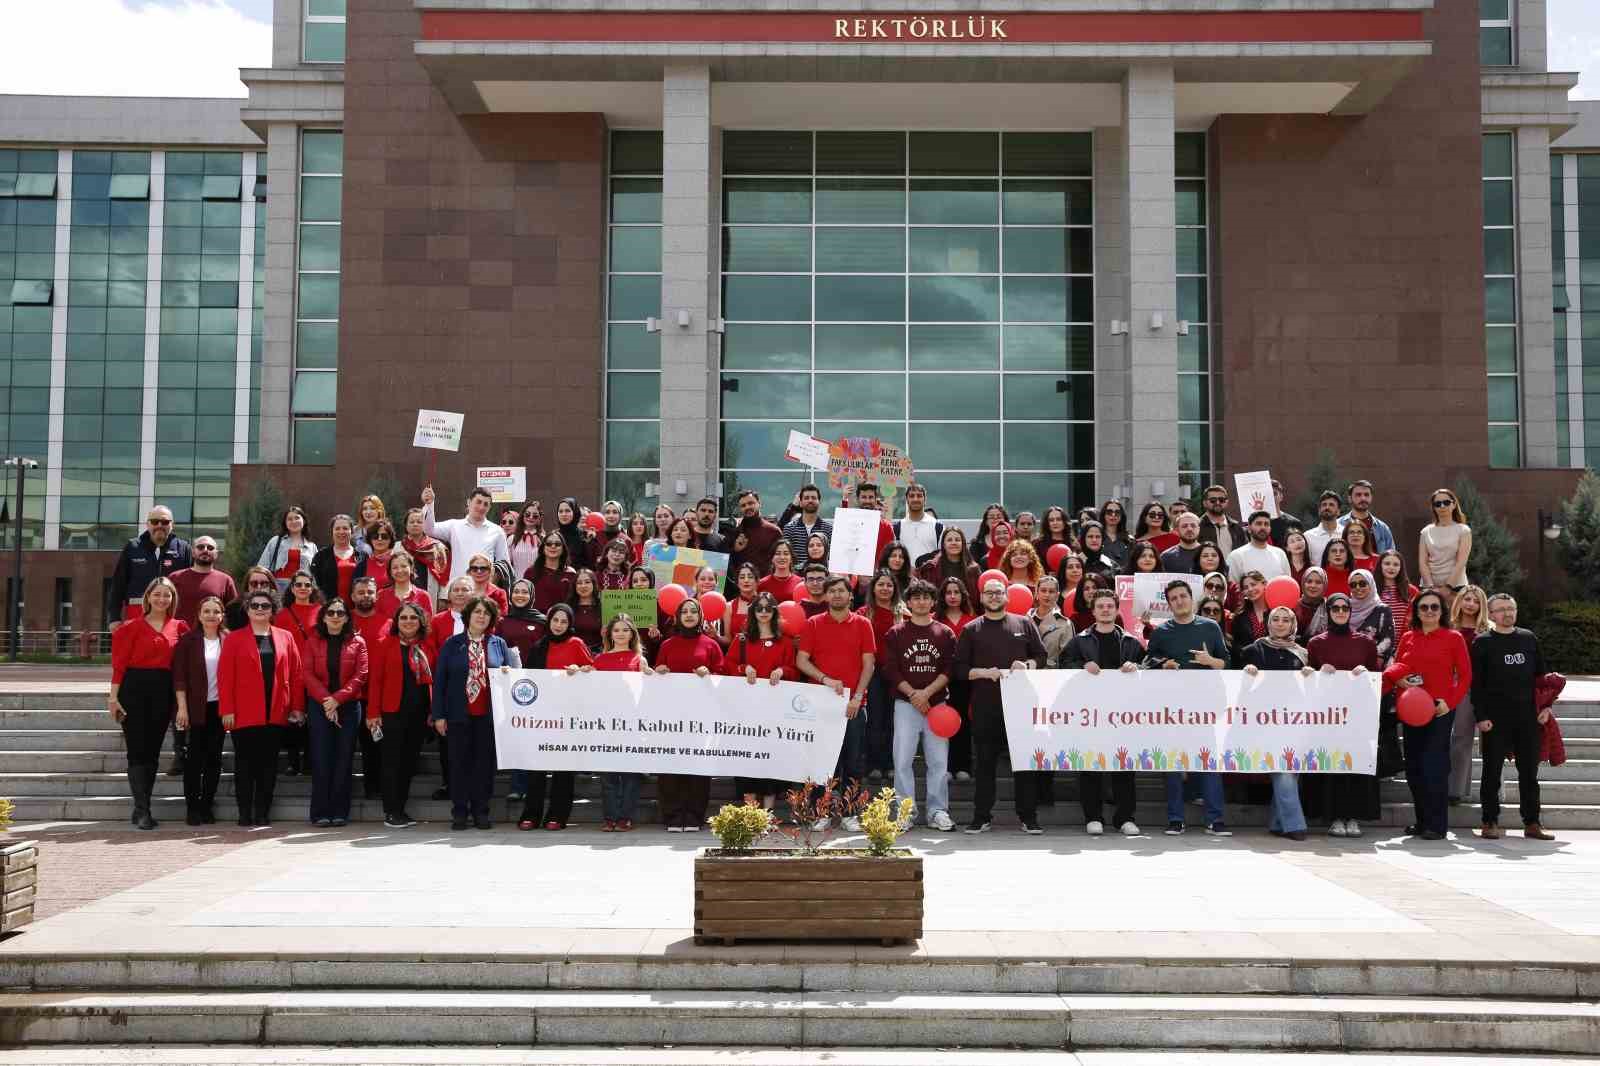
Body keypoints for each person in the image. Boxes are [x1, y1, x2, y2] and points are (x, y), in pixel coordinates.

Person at [955, 578, 1047, 834]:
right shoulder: (971, 629)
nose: (994, 596)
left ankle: (1028, 817)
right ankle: (981, 816)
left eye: (998, 592)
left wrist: (1027, 665)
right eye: (989, 593)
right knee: (985, 764)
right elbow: (959, 669)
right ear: (981, 597)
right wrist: (984, 672)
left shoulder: (1024, 623)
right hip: (986, 707)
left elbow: (1041, 656)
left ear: (1007, 596)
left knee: (1024, 764)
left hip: (1021, 706)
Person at [1143, 580, 1230, 835]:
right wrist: (1164, 665)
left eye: (1183, 596)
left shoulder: (1211, 627)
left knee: (1208, 762)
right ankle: (1175, 819)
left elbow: (1227, 662)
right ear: (1169, 604)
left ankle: (1215, 819)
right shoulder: (1162, 632)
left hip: (1205, 706)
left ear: (1192, 598)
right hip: (1172, 708)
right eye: (1174, 598)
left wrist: (1210, 660)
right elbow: (1148, 661)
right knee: (1173, 763)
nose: (1179, 601)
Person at [1383, 589, 1472, 840]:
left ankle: (1437, 824)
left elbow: (1465, 676)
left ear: (1442, 611)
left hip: (1439, 709)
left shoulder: (1453, 637)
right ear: (1416, 611)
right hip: (1412, 709)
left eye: (1434, 607)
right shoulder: (1408, 637)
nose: (1429, 611)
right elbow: (1400, 667)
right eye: (1424, 607)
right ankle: (1422, 821)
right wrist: (1399, 681)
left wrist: (1449, 703)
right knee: (1414, 767)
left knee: (1434, 766)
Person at [797, 576, 878, 828]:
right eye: (832, 591)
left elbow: (869, 664)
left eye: (841, 591)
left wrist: (857, 697)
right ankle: (820, 812)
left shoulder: (863, 624)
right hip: (821, 704)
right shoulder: (813, 623)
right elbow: (801, 660)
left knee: (853, 762)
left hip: (853, 705)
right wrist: (825, 679)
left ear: (850, 595)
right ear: (826, 596)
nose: (837, 595)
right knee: (822, 760)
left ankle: (850, 813)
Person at [1062, 587, 1144, 836]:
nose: (1105, 610)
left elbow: (1149, 665)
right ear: (1093, 611)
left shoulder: (1130, 641)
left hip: (1123, 714)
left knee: (1124, 767)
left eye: (1110, 606)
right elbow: (1064, 664)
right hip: (1090, 714)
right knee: (1090, 766)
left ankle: (1125, 818)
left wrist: (1136, 666)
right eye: (1101, 606)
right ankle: (1093, 817)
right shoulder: (1080, 641)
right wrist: (1082, 665)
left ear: (1117, 610)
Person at [219, 586, 303, 828]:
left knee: (268, 766)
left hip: (276, 711)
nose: (259, 609)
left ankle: (262, 812)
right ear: (247, 609)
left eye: (265, 606)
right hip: (243, 713)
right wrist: (227, 709)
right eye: (254, 605)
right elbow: (225, 676)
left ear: (272, 610)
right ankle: (244, 812)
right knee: (244, 766)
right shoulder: (234, 638)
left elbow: (296, 675)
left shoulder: (285, 637)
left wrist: (297, 707)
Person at [108, 577, 187, 830]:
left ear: (173, 599)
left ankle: (143, 806)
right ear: (148, 597)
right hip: (133, 690)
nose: (162, 599)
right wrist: (113, 698)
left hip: (163, 691)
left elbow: (183, 666)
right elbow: (119, 666)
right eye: (157, 594)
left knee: (152, 751)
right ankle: (142, 810)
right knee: (136, 750)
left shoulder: (180, 627)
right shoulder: (129, 627)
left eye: (167, 595)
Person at [1472, 594, 1553, 840]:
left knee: (1529, 773)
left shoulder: (1529, 638)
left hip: (1528, 718)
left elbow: (1542, 678)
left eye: (1511, 608)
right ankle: (1489, 821)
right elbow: (1477, 685)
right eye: (1501, 609)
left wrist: (1546, 706)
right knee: (1491, 772)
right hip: (1495, 719)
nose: (1507, 613)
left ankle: (1532, 823)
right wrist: (1480, 715)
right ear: (1491, 614)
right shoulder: (1483, 642)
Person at [433, 596, 516, 830]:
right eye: (477, 612)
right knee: (459, 765)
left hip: (487, 717)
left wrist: (507, 673)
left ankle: (481, 811)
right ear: (468, 615)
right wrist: (439, 715)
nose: (481, 616)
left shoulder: (498, 644)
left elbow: (510, 678)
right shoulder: (452, 644)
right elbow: (440, 681)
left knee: (484, 766)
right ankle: (460, 812)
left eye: (486, 613)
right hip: (458, 715)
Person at [880, 579, 956, 831]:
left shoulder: (945, 633)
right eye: (916, 598)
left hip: (938, 705)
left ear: (933, 602)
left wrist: (927, 694)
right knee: (902, 760)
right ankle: (905, 812)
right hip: (905, 704)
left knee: (938, 761)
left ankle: (937, 811)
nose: (921, 602)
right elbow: (891, 669)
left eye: (926, 597)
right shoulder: (896, 633)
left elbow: (949, 669)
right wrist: (914, 695)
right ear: (909, 603)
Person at [1307, 593, 1381, 837]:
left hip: (1358, 715)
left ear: (1350, 611)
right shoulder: (1316, 643)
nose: (1340, 612)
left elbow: (1376, 676)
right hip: (1328, 716)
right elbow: (1308, 678)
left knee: (1356, 764)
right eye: (1335, 608)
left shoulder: (1365, 643)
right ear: (1328, 612)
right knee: (1333, 766)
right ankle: (1335, 817)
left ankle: (1354, 817)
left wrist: (1365, 671)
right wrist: (1319, 671)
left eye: (1344, 608)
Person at [164, 534, 238, 776]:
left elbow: (232, 614)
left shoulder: (225, 580)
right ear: (193, 551)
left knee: (210, 701)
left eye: (210, 547)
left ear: (216, 553)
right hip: (183, 646)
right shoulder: (176, 578)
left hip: (213, 647)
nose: (205, 550)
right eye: (200, 547)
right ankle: (180, 754)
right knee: (180, 700)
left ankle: (210, 754)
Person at [1240, 606, 1315, 841]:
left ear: (1293, 625)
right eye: (1275, 619)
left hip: (1294, 722)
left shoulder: (1302, 654)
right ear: (1268, 623)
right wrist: (1247, 674)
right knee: (1284, 771)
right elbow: (1240, 689)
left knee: (1289, 771)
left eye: (1285, 620)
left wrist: (1310, 675)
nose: (1280, 624)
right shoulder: (1253, 650)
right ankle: (1295, 825)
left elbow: (1310, 691)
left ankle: (1277, 823)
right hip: (1265, 723)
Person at [516, 604, 589, 831]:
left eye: (564, 621)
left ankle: (557, 814)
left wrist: (580, 669)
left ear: (570, 624)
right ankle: (531, 814)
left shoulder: (576, 644)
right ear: (549, 621)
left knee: (563, 768)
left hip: (568, 717)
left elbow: (593, 671)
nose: (558, 625)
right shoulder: (539, 645)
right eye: (555, 620)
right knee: (536, 767)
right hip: (541, 716)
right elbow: (527, 678)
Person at [654, 597, 725, 831]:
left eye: (693, 611)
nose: (689, 615)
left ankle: (695, 815)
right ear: (678, 617)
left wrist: (710, 673)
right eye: (684, 611)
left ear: (700, 616)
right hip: (671, 715)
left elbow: (723, 676)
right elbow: (657, 673)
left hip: (701, 714)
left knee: (698, 765)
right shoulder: (667, 644)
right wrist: (659, 671)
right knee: (670, 765)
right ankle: (672, 815)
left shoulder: (711, 645)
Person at [725, 592, 796, 812]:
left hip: (774, 711)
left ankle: (767, 813)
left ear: (775, 611)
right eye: (759, 608)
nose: (763, 612)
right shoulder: (742, 639)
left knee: (770, 758)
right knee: (746, 758)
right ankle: (751, 814)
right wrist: (743, 668)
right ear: (753, 612)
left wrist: (782, 670)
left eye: (768, 608)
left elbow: (794, 670)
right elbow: (727, 665)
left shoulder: (785, 642)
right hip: (746, 710)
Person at [303, 598, 369, 827]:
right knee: (321, 758)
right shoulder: (312, 640)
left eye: (340, 613)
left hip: (349, 706)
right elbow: (307, 673)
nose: (335, 616)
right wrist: (327, 701)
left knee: (344, 760)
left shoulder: (358, 642)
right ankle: (320, 812)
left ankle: (340, 811)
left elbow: (361, 675)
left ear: (347, 617)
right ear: (323, 617)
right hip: (319, 706)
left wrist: (337, 699)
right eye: (330, 612)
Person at [366, 602, 432, 828]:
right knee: (391, 763)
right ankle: (391, 811)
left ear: (420, 621)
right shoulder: (385, 644)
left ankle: (400, 809)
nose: (408, 622)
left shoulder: (427, 646)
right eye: (403, 618)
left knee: (409, 763)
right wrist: (373, 712)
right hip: (391, 713)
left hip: (419, 715)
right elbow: (375, 681)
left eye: (413, 617)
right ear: (396, 622)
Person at [172, 595, 228, 825]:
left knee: (214, 759)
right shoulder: (188, 641)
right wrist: (182, 708)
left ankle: (207, 805)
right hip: (195, 707)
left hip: (220, 708)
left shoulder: (229, 639)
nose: (211, 615)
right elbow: (179, 677)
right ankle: (192, 807)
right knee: (194, 760)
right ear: (199, 615)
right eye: (207, 611)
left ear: (222, 615)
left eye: (216, 611)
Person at [593, 614, 652, 831]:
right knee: (608, 775)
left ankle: (625, 817)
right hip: (606, 724)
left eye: (625, 630)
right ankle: (609, 818)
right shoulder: (599, 660)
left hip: (631, 725)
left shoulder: (639, 660)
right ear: (609, 634)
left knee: (630, 775)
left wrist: (652, 676)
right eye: (616, 630)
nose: (620, 634)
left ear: (632, 634)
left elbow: (646, 692)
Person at [274, 574, 323, 776]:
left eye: (307, 584)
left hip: (317, 674)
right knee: (293, 718)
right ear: (292, 588)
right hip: (291, 673)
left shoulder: (321, 612)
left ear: (312, 588)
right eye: (298, 584)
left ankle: (310, 762)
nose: (303, 588)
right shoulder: (282, 614)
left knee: (315, 720)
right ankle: (293, 761)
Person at [1448, 584, 1493, 805]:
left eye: (1476, 601)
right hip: (1460, 687)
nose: (1471, 604)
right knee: (1460, 738)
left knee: (1493, 742)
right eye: (1467, 599)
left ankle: (1495, 791)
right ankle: (1455, 790)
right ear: (1459, 601)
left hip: (1487, 689)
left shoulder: (1490, 630)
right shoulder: (1448, 627)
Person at [858, 570, 903, 781]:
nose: (885, 588)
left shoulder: (903, 613)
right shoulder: (863, 613)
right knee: (875, 720)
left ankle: (891, 764)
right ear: (873, 588)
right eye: (881, 584)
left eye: (889, 585)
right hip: (872, 674)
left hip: (898, 675)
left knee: (894, 721)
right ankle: (874, 764)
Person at [347, 577, 388, 801]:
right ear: (352, 596)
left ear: (376, 595)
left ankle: (374, 789)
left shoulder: (388, 623)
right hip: (348, 695)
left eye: (370, 592)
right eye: (361, 592)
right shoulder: (343, 620)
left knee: (375, 745)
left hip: (377, 695)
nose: (365, 596)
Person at [422, 484, 511, 586]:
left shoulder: (497, 531)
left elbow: (504, 563)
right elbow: (429, 530)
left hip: (483, 590)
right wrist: (429, 504)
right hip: (458, 589)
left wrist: (491, 584)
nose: (481, 507)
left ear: (489, 507)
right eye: (478, 502)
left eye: (486, 504)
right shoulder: (454, 526)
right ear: (469, 502)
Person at [937, 575, 977, 781]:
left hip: (965, 680)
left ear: (963, 595)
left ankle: (963, 766)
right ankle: (944, 767)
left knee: (963, 722)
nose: (952, 596)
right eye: (948, 592)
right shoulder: (935, 619)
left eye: (956, 592)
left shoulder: (973, 620)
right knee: (942, 723)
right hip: (938, 680)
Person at [1419, 487, 1472, 606]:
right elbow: (1423, 562)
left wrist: (1448, 587)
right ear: (1433, 508)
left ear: (1454, 505)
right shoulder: (1426, 531)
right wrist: (1430, 588)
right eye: (1437, 504)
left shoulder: (1463, 530)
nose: (1442, 506)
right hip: (1429, 588)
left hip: (1456, 587)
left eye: (1446, 502)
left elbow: (1461, 562)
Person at [310, 514, 370, 604]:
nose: (341, 532)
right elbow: (314, 583)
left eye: (345, 528)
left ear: (352, 531)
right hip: (330, 608)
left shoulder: (362, 555)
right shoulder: (321, 556)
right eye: (337, 529)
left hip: (357, 607)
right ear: (332, 532)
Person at [256, 506, 314, 599]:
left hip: (302, 589)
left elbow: (315, 574)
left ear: (304, 520)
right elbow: (262, 567)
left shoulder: (312, 546)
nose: (293, 521)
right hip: (278, 589)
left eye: (297, 518)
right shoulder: (276, 541)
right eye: (289, 519)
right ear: (285, 523)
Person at [918, 527, 980, 604]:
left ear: (963, 544)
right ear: (943, 545)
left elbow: (978, 598)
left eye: (957, 540)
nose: (954, 543)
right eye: (949, 540)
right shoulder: (930, 568)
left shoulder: (973, 569)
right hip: (939, 610)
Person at [729, 489, 784, 576]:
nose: (747, 507)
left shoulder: (773, 531)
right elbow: (729, 565)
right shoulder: (735, 533)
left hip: (767, 582)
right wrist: (735, 550)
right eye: (743, 505)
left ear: (759, 503)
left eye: (751, 503)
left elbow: (782, 560)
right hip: (743, 582)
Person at [399, 507, 449, 601]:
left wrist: (443, 597)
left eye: (419, 522)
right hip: (404, 596)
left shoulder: (437, 547)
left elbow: (445, 573)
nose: (415, 524)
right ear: (406, 525)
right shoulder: (398, 547)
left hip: (431, 594)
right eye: (412, 522)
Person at [1226, 511, 1291, 583]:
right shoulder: (1236, 556)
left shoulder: (1280, 553)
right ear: (1249, 529)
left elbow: (1288, 582)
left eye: (1266, 524)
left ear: (1270, 529)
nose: (1263, 527)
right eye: (1258, 524)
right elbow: (1233, 586)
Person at [1339, 479, 1396, 553]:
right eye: (1358, 495)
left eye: (1366, 495)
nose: (1363, 498)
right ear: (1350, 499)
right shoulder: (1339, 524)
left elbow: (1391, 556)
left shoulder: (1382, 528)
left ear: (1371, 498)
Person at [526, 531, 577, 613]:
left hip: (561, 618)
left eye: (557, 544)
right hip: (535, 618)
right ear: (543, 548)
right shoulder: (531, 572)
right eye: (549, 544)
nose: (553, 546)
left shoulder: (570, 574)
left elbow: (574, 603)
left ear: (563, 548)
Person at [497, 579, 547, 663]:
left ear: (531, 595)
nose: (520, 595)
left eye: (525, 592)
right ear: (511, 595)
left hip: (536, 669)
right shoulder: (502, 622)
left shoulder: (542, 621)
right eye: (516, 592)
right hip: (508, 669)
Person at [894, 482, 943, 566]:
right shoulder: (897, 527)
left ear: (925, 499)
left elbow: (944, 553)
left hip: (929, 574)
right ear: (906, 500)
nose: (915, 499)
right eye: (911, 496)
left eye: (919, 496)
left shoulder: (938, 527)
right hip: (905, 574)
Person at [782, 483, 834, 562]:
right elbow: (787, 557)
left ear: (819, 502)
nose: (810, 500)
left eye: (813, 498)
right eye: (806, 498)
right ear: (800, 503)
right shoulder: (789, 529)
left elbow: (831, 557)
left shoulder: (829, 529)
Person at [375, 552, 433, 621]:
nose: (399, 570)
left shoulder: (423, 596)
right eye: (395, 568)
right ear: (390, 572)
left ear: (411, 569)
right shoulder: (381, 595)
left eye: (404, 566)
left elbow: (427, 624)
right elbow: (377, 622)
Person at [1374, 550, 1418, 638]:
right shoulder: (1371, 589)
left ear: (1401, 568)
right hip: (1377, 641)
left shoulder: (1412, 591)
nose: (1391, 567)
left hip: (1404, 641)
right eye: (1387, 564)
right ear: (1380, 566)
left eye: (1396, 565)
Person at [1230, 572, 1270, 661]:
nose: (1250, 589)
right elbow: (1236, 646)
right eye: (1246, 587)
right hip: (1248, 663)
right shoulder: (1239, 617)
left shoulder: (1276, 612)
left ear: (1264, 584)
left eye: (1253, 584)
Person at [1195, 486, 1246, 556]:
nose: (1218, 503)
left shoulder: (1237, 528)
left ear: (1227, 502)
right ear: (1204, 503)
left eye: (1221, 500)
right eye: (1213, 500)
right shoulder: (1197, 526)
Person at [1302, 491, 1344, 570]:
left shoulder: (1345, 533)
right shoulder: (1308, 536)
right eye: (1324, 505)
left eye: (1331, 505)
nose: (1327, 507)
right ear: (1319, 511)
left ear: (1338, 511)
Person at [569, 569, 604, 651]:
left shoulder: (603, 607)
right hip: (572, 652)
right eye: (579, 583)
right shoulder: (568, 608)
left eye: (587, 582)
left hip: (597, 652)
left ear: (594, 584)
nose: (583, 586)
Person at [507, 505, 544, 579]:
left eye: (535, 516)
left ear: (539, 519)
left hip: (537, 582)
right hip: (516, 582)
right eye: (527, 514)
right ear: (522, 516)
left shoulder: (544, 539)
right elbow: (506, 563)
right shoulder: (512, 539)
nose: (531, 517)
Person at [1098, 500, 1132, 570]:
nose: (1113, 515)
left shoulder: (1130, 540)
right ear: (1103, 515)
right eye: (1109, 512)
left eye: (1117, 512)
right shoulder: (1096, 537)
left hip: (1123, 576)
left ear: (1121, 516)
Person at [1269, 480, 1303, 549]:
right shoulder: (1257, 525)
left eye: (1274, 494)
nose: (1271, 497)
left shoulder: (1294, 523)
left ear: (1281, 496)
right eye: (1268, 494)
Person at [1296, 567, 1328, 637]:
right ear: (1303, 583)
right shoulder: (1294, 607)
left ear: (1325, 585)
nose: (1313, 586)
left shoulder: (1329, 607)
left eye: (1318, 582)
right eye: (1309, 581)